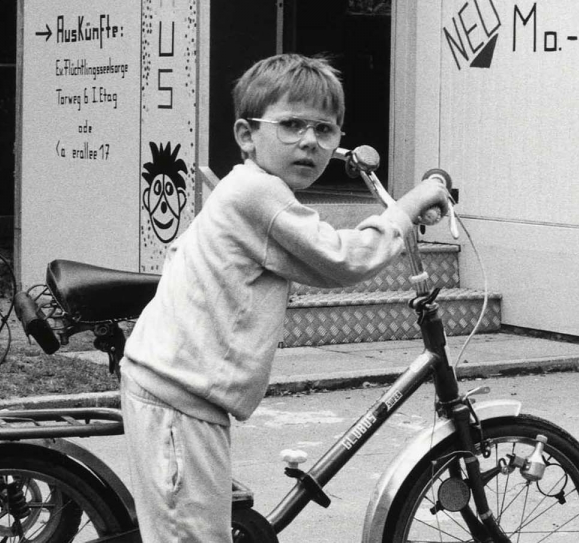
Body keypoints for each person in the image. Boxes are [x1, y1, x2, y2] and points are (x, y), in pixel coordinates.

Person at [119, 53, 451, 542]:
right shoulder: (258, 195)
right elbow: (341, 259)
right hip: (179, 398)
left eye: (325, 129)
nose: (310, 141)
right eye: (291, 124)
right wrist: (408, 206)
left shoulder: (255, 189)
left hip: (181, 391)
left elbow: (319, 248)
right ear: (247, 135)